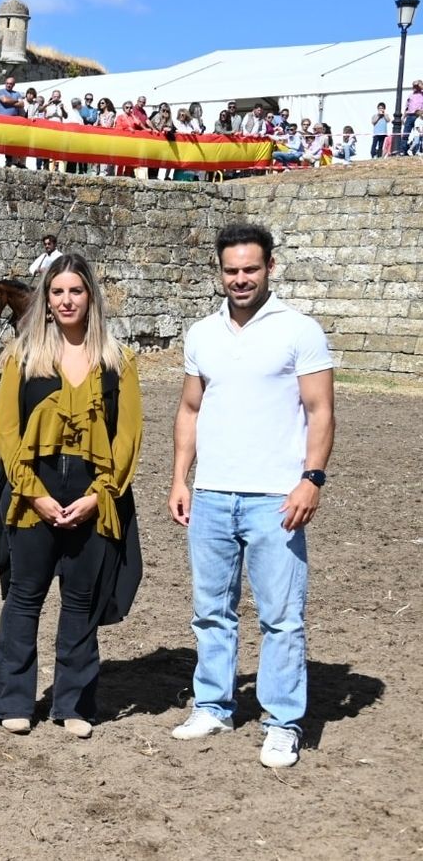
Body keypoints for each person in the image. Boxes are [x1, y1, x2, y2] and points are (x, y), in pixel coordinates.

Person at [168, 223, 335, 770]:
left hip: (275, 498)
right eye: (231, 270)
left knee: (282, 615)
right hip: (213, 494)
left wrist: (311, 478)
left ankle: (282, 721)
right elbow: (191, 409)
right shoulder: (202, 334)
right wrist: (180, 478)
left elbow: (320, 410)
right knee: (210, 611)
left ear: (269, 268)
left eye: (250, 269)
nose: (240, 279)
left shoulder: (299, 330)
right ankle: (214, 704)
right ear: (219, 271)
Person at [0, 254, 142, 739]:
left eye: (75, 291)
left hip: (92, 496)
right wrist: (32, 493)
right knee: (24, 598)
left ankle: (73, 703)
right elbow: (7, 431)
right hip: (35, 489)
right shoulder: (23, 355)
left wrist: (101, 495)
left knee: (80, 602)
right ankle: (13, 700)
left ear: (90, 296)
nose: (66, 300)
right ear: (46, 299)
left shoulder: (118, 360)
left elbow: (128, 437)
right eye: (57, 292)